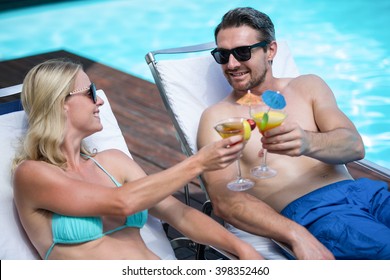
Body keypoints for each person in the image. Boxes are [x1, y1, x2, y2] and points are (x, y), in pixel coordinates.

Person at [12, 58, 263, 260]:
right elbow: (122, 203)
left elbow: (179, 213)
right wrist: (198, 162)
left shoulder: (112, 162)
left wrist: (242, 249)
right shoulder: (32, 174)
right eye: (90, 92)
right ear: (60, 103)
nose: (99, 100)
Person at [197, 7, 390, 260]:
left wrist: (307, 141)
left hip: (367, 193)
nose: (232, 64)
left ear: (271, 50)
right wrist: (296, 234)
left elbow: (354, 146)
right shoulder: (218, 117)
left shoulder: (307, 85)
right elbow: (225, 200)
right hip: (316, 213)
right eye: (222, 55)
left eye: (242, 52)